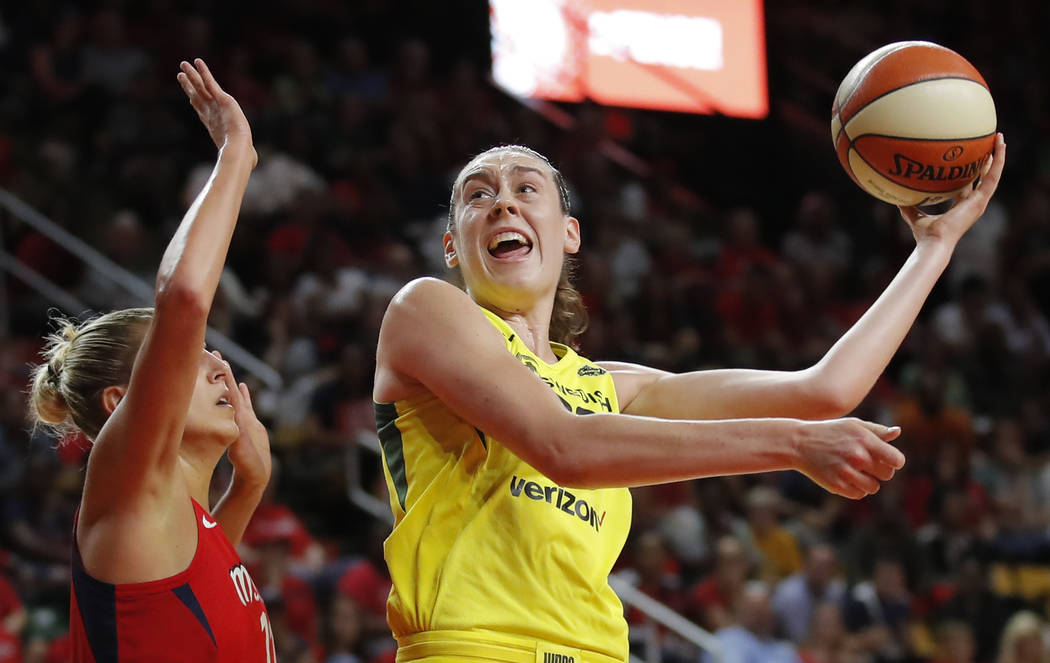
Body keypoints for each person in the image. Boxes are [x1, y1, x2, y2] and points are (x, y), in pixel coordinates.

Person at [372, 135, 1006, 662]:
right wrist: (790, 444)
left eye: (525, 189)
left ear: (569, 233)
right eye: (478, 195)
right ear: (453, 244)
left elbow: (822, 390)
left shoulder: (608, 387)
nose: (502, 204)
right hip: (474, 648)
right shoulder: (424, 310)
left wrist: (935, 247)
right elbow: (563, 445)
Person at [28, 59, 273, 662]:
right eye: (192, 356)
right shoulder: (125, 482)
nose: (221, 367)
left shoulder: (176, 526)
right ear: (120, 405)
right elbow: (184, 299)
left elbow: (182, 607)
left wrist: (247, 487)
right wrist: (236, 157)